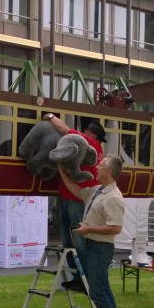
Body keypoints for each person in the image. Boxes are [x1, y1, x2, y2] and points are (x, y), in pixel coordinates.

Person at [58, 155, 124, 308]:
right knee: (103, 291)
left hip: (101, 248)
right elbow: (78, 191)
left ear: (109, 172)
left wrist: (88, 230)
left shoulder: (113, 197)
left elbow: (115, 228)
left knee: (97, 292)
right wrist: (62, 172)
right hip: (93, 245)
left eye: (101, 165)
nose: (97, 167)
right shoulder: (98, 190)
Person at [41, 112, 105, 291]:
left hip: (77, 199)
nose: (84, 131)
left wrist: (51, 116)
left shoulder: (89, 143)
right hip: (71, 198)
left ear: (93, 135)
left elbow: (65, 130)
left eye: (87, 130)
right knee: (68, 242)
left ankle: (85, 278)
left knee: (76, 241)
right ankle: (79, 277)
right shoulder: (97, 148)